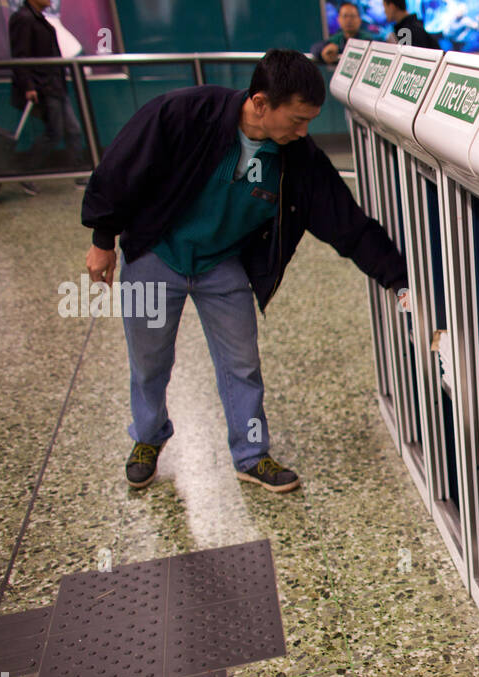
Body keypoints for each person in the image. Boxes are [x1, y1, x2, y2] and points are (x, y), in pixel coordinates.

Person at [81, 49, 407, 493]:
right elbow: (120, 169)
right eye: (296, 119)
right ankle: (147, 437)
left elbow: (344, 221)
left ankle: (251, 455)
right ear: (259, 103)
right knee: (150, 361)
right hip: (157, 254)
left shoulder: (297, 157)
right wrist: (103, 240)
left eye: (309, 120)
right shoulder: (183, 113)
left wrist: (397, 277)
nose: (304, 131)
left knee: (242, 366)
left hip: (222, 265)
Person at [8, 0, 88, 193]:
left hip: (54, 84)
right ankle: (26, 172)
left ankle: (80, 174)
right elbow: (20, 56)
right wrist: (29, 85)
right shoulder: (24, 19)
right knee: (55, 132)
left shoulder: (39, 19)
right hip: (44, 86)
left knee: (73, 130)